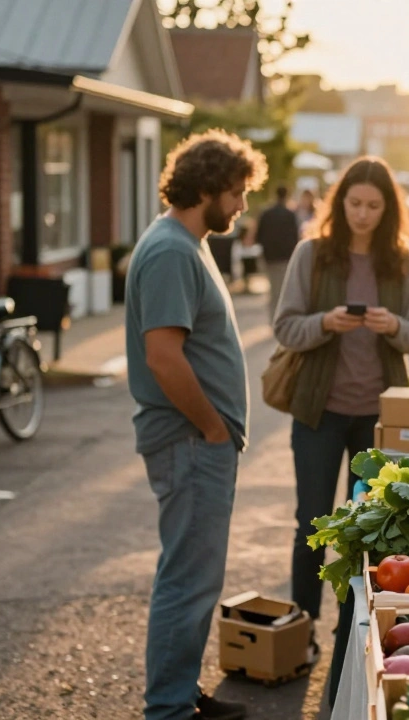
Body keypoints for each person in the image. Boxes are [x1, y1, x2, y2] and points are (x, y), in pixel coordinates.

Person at [272, 156, 409, 711]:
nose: (362, 214)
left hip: (377, 415)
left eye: (374, 205)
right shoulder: (311, 254)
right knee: (310, 522)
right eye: (354, 203)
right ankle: (302, 628)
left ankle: (352, 632)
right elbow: (284, 326)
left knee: (366, 533)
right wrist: (325, 323)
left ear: (388, 210)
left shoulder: (402, 261)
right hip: (319, 409)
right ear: (339, 203)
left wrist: (393, 326)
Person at [124, 128, 267, 720]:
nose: (241, 206)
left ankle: (179, 694)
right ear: (205, 187)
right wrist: (212, 427)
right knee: (187, 579)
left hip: (198, 441)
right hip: (188, 441)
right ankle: (169, 709)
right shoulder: (169, 251)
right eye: (236, 192)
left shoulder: (189, 242)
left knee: (195, 576)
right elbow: (163, 356)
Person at [254, 186, 301, 321]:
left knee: (273, 289)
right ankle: (280, 318)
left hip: (269, 256)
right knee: (283, 289)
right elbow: (295, 237)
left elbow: (259, 236)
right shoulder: (290, 215)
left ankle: (273, 318)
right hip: (285, 257)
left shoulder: (266, 213)